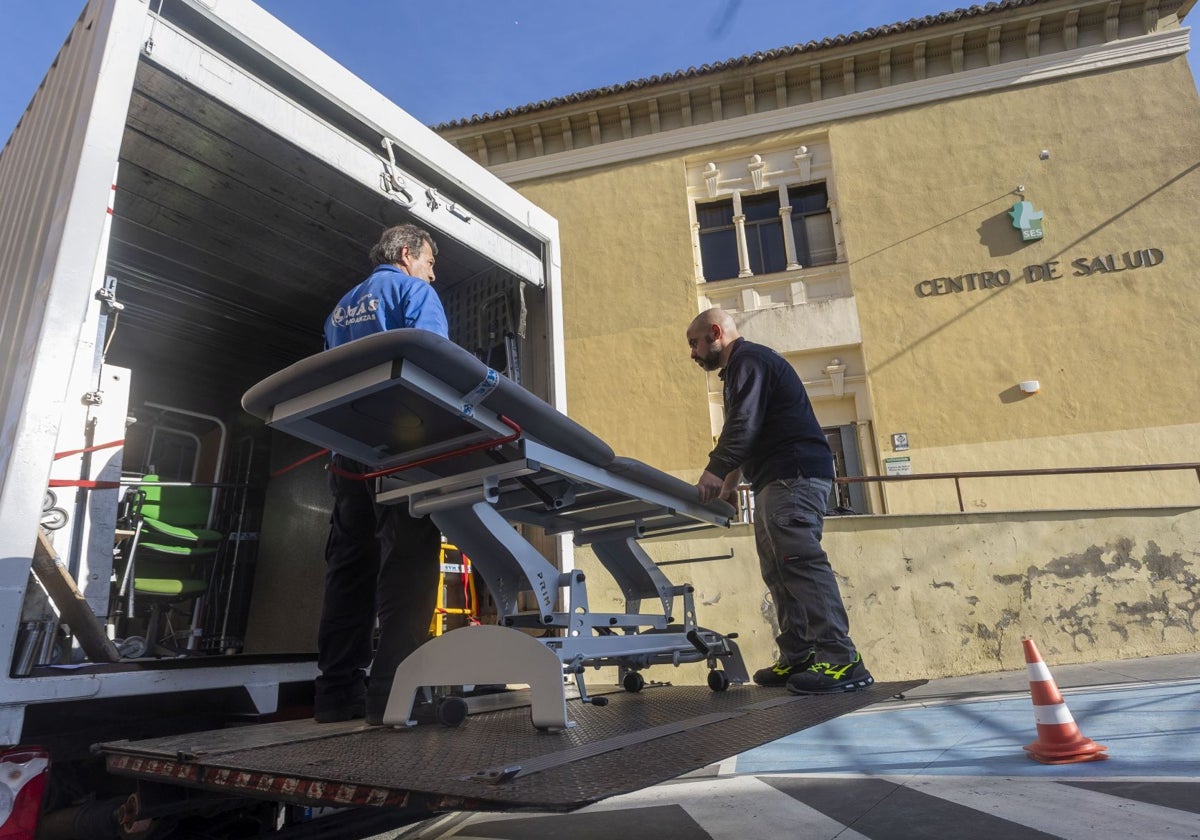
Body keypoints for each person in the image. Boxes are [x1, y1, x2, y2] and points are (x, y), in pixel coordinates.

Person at [686, 307, 872, 694]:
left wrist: (715, 471)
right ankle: (800, 654)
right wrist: (730, 485)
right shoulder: (743, 367)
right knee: (778, 569)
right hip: (775, 477)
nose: (693, 353)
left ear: (715, 333)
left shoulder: (748, 361)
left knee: (800, 563)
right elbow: (745, 428)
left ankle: (842, 660)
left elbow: (743, 425)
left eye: (695, 343)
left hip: (794, 474)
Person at [314, 223, 447, 724]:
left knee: (350, 566)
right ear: (408, 254)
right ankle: (394, 694)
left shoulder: (340, 308)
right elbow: (435, 368)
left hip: (348, 454)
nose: (432, 277)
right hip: (401, 446)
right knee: (408, 560)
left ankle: (336, 694)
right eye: (430, 263)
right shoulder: (412, 292)